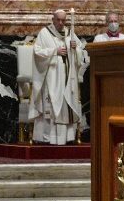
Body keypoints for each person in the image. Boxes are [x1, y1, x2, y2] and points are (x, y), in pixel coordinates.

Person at [31, 9, 88, 145]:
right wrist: (54, 52)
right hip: (52, 76)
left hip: (68, 76)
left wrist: (75, 49)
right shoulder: (44, 33)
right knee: (53, 104)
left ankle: (67, 138)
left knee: (65, 103)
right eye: (58, 20)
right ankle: (48, 138)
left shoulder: (70, 33)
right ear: (53, 19)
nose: (61, 23)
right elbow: (37, 52)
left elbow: (80, 54)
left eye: (64, 20)